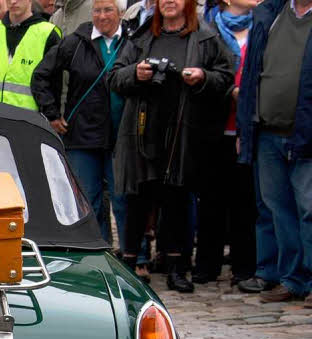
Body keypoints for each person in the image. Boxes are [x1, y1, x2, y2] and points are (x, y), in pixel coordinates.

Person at [108, 0, 234, 292]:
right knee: (137, 199)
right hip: (141, 131)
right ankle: (130, 266)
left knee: (176, 199)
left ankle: (178, 268)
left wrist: (203, 77)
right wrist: (135, 74)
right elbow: (115, 77)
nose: (169, 1)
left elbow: (225, 77)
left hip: (183, 132)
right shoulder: (140, 36)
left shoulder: (205, 36)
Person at [31, 0, 127, 245]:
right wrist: (52, 114)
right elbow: (41, 75)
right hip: (83, 135)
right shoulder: (76, 42)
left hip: (122, 137)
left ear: (121, 13)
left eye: (108, 10)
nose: (102, 16)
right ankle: (96, 251)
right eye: (97, 10)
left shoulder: (131, 42)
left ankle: (133, 255)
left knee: (123, 199)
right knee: (87, 201)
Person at [237, 0, 312, 306]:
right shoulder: (270, 13)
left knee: (309, 209)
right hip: (266, 131)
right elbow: (251, 72)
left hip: (306, 133)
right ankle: (291, 279)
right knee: (278, 210)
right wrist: (245, 128)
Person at [192, 0, 258, 286]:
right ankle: (208, 264)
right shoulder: (207, 29)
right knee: (210, 200)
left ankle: (245, 266)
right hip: (214, 124)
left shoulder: (263, 26)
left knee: (245, 202)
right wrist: (228, 90)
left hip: (250, 126)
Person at [0, 0, 60, 109]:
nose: (13, 1)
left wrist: (52, 115)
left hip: (28, 119)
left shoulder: (49, 33)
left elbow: (56, 83)